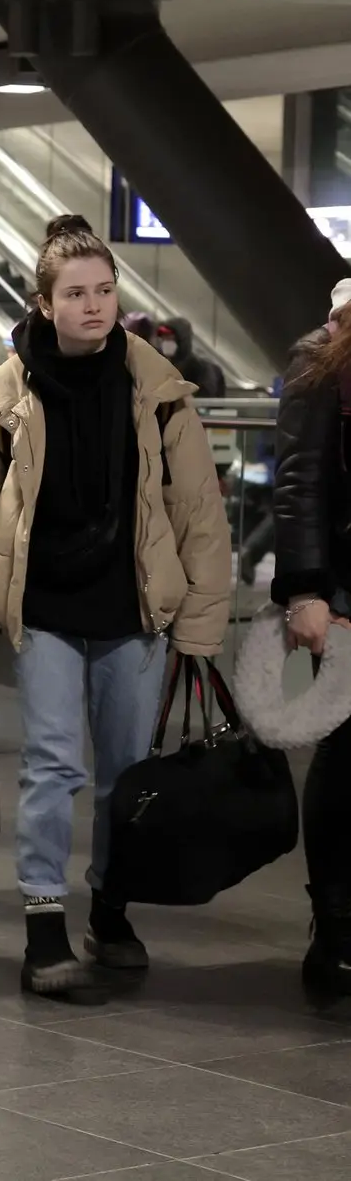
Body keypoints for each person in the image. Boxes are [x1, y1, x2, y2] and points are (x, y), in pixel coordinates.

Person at [0, 215, 230, 1000]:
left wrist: (201, 624)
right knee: (53, 766)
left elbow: (200, 513)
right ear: (44, 303)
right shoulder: (5, 399)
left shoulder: (158, 392)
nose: (95, 305)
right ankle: (42, 928)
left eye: (105, 291)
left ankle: (110, 909)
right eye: (76, 293)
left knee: (126, 777)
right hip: (47, 614)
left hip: (135, 613)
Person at [268, 277, 351, 996]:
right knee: (347, 749)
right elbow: (298, 483)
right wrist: (306, 589)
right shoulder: (323, 358)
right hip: (345, 588)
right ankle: (335, 928)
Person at [155, 316, 227, 399]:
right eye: (163, 338)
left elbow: (204, 400)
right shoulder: (158, 367)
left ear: (182, 340)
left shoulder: (200, 369)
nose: (165, 342)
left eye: (170, 338)